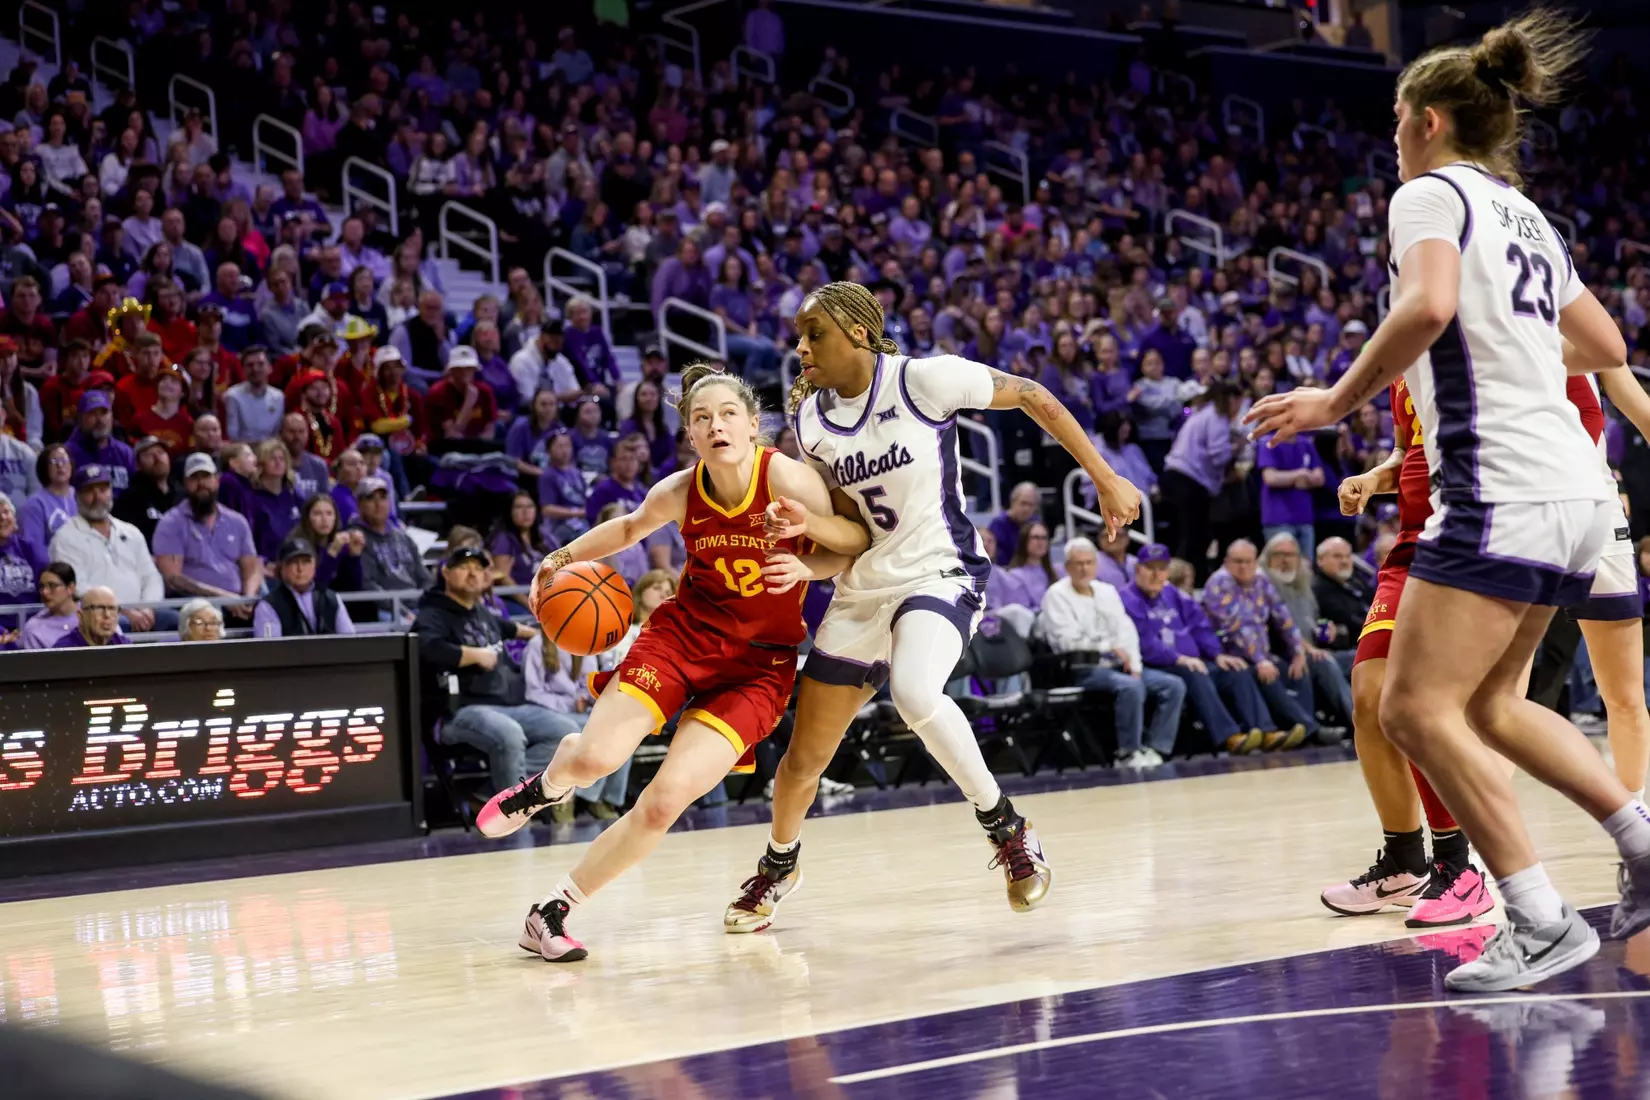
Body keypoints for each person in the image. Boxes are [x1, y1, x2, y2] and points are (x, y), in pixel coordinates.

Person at [1244, 10, 1649, 992]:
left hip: (1498, 487)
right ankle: (1642, 849)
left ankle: (1540, 915)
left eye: (1393, 121)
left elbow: (1425, 306)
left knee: (1414, 708)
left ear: (1426, 119)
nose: (1390, 139)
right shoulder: (1526, 214)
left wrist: (1334, 400)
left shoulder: (1428, 196)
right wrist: (1509, 346)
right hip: (1581, 492)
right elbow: (1603, 345)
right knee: (1495, 707)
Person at [723, 281, 1141, 928]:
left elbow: (1032, 393)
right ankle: (780, 864)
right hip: (862, 588)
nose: (801, 348)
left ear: (859, 333)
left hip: (940, 573)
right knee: (803, 759)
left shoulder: (924, 381)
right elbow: (847, 541)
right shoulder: (807, 428)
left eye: (815, 334)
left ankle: (1007, 828)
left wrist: (1104, 476)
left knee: (915, 692)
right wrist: (802, 561)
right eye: (798, 337)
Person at [473, 364, 851, 962]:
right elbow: (628, 528)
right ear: (691, 437)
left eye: (728, 413)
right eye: (701, 419)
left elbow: (849, 542)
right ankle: (547, 785)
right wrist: (560, 557)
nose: (715, 425)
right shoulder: (680, 490)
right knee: (596, 758)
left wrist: (809, 567)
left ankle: (552, 911)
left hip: (758, 667)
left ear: (754, 425)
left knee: (663, 802)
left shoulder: (790, 481)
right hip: (683, 637)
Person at [416, 544, 581, 797]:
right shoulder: (433, 613)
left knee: (565, 731)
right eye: (463, 568)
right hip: (459, 711)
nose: (472, 574)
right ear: (446, 574)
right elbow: (425, 647)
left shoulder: (481, 613)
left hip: (508, 705)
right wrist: (472, 655)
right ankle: (512, 808)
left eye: (478, 568)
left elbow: (510, 628)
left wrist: (545, 636)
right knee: (509, 734)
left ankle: (494, 795)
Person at [1039, 537, 1187, 767]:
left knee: (1173, 685)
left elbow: (1126, 631)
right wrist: (1108, 647)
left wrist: (1136, 665)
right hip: (1081, 668)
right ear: (1067, 567)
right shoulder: (1056, 595)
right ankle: (1127, 753)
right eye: (1078, 563)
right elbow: (1066, 642)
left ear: (1096, 564)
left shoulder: (1106, 591)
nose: (1084, 568)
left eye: (1089, 562)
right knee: (1130, 686)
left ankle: (1156, 749)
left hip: (1118, 665)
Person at [1123, 543, 1273, 756]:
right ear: (1138, 570)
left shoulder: (1172, 593)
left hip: (1194, 661)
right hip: (1159, 665)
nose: (1157, 575)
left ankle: (1264, 731)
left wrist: (1217, 654)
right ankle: (1228, 736)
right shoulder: (1128, 599)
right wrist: (1179, 658)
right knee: (1195, 673)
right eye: (1150, 568)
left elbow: (1199, 625)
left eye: (1162, 568)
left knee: (1235, 669)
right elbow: (1145, 643)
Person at [1201, 540, 1316, 749]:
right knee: (1264, 674)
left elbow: (1283, 616)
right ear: (1226, 562)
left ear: (1256, 562)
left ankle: (1301, 726)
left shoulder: (1261, 580)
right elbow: (1236, 629)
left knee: (1299, 668)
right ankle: (1306, 728)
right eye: (1237, 562)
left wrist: (1298, 651)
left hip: (1262, 655)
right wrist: (1261, 660)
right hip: (1232, 654)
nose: (1243, 567)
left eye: (1248, 562)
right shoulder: (1218, 584)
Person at [49, 464, 165, 633]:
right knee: (119, 625)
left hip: (142, 611)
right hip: (97, 614)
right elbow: (77, 587)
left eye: (103, 490)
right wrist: (121, 610)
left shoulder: (131, 532)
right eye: (90, 491)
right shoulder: (65, 537)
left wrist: (148, 609)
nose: (98, 497)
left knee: (181, 620)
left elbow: (151, 576)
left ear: (111, 492)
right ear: (77, 496)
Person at [1259, 531, 1354, 731]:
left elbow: (1316, 622)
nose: (1285, 560)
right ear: (1268, 558)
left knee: (1364, 658)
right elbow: (1278, 629)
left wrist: (1329, 631)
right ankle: (1360, 725)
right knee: (1324, 663)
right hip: (1285, 653)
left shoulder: (1304, 586)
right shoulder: (1264, 587)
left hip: (1316, 649)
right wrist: (1306, 649)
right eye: (1279, 555)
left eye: (1291, 555)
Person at [152, 453, 262, 614]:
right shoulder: (171, 523)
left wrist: (248, 598)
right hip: (194, 603)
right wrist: (221, 597)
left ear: (217, 480)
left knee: (269, 609)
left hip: (238, 600)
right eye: (194, 478)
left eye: (206, 476)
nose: (201, 483)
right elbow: (172, 579)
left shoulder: (237, 521)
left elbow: (252, 566)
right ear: (185, 483)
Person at [253, 538, 356, 637]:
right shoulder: (269, 606)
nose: (300, 569)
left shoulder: (331, 599)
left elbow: (349, 641)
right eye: (293, 562)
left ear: (314, 566)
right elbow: (270, 650)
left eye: (306, 562)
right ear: (282, 568)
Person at [352, 475, 428, 593]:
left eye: (383, 498)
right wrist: (400, 609)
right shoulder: (356, 538)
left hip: (415, 604)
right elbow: (368, 584)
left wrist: (425, 602)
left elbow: (424, 578)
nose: (378, 504)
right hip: (384, 608)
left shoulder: (404, 537)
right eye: (371, 498)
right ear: (360, 504)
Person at [112, 436, 183, 544]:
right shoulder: (130, 499)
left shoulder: (182, 495)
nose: (157, 458)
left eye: (161, 452)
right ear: (138, 464)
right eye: (148, 454)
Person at [20, 561, 78, 649]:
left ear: (70, 588)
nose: (44, 592)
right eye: (42, 586)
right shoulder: (34, 628)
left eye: (52, 586)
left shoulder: (89, 615)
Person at [53, 585, 129, 647]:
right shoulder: (64, 650)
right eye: (99, 608)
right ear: (81, 616)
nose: (107, 615)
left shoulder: (124, 645)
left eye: (112, 608)